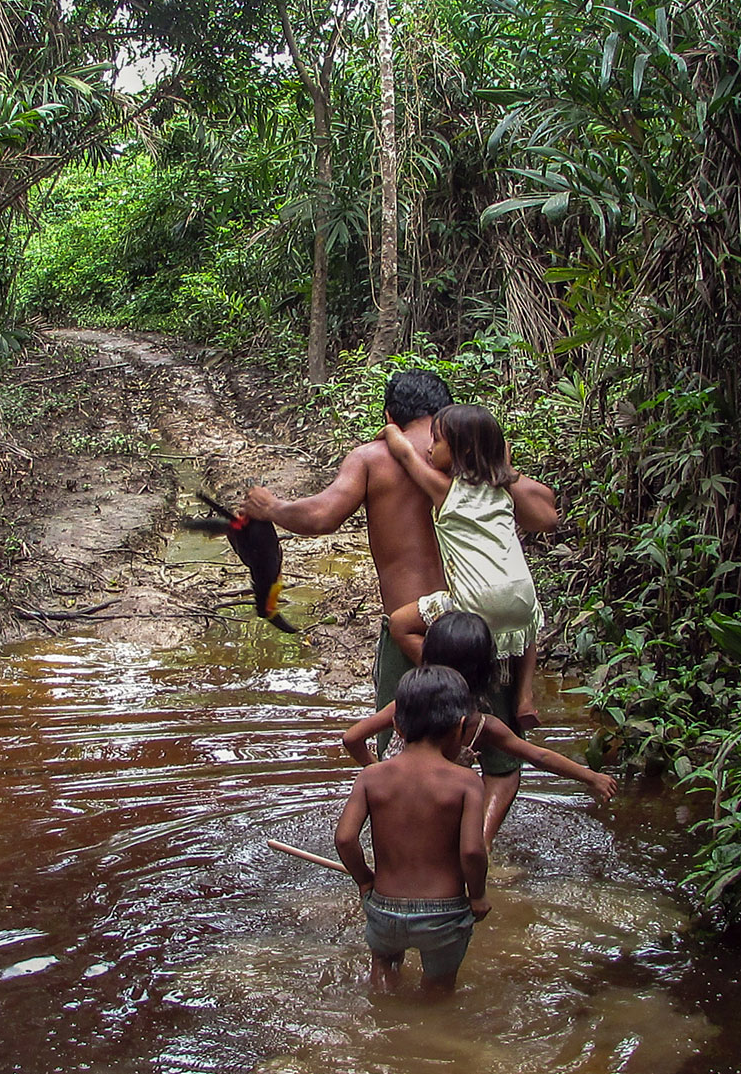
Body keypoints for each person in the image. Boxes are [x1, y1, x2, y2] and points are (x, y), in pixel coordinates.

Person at [243, 370, 558, 842]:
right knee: (502, 760)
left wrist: (273, 508)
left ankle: (405, 855)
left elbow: (322, 516)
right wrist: (501, 473)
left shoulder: (373, 459)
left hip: (419, 635)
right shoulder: (473, 463)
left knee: (404, 754)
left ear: (390, 415)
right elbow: (546, 514)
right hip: (485, 633)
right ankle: (480, 850)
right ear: (447, 414)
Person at [342, 612, 618, 848]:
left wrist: (376, 768)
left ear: (427, 656)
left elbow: (351, 738)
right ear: (487, 670)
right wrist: (591, 777)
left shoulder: (405, 703)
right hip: (437, 818)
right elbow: (538, 757)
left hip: (394, 813)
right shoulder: (479, 725)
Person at [381, 403, 541, 731]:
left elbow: (405, 456)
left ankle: (457, 690)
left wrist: (390, 431)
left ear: (462, 450)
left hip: (475, 601)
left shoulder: (447, 491)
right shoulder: (503, 488)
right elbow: (503, 454)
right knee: (528, 628)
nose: (428, 448)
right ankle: (525, 697)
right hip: (523, 595)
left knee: (399, 625)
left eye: (436, 442)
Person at [333, 665, 490, 994]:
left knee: (384, 970)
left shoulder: (371, 777)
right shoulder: (466, 782)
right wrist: (476, 896)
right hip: (443, 913)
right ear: (461, 727)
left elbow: (345, 838)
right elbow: (472, 851)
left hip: (384, 908)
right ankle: (426, 1036)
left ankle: (383, 1018)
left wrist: (364, 879)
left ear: (396, 726)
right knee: (439, 991)